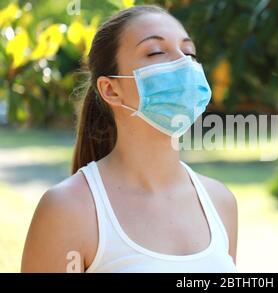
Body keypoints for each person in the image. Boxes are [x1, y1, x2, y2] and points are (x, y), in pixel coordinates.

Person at [21, 5, 238, 273]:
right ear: (111, 90)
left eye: (189, 52)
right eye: (156, 52)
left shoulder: (220, 202)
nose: (183, 63)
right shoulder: (68, 210)